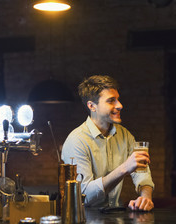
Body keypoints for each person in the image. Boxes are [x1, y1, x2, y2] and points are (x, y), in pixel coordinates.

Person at [61, 75, 154, 211]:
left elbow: (142, 172)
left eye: (118, 99)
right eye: (111, 101)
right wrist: (124, 168)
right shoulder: (76, 141)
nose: (120, 105)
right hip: (85, 220)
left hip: (115, 215)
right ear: (92, 106)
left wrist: (146, 197)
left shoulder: (125, 135)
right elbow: (84, 196)